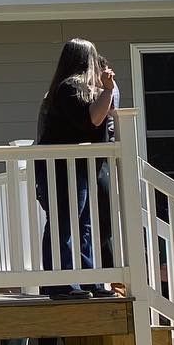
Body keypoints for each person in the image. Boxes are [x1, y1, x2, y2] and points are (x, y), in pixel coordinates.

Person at [35, 38, 117, 296]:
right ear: (84, 59)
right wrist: (106, 90)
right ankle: (60, 284)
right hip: (61, 169)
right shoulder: (68, 88)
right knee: (63, 225)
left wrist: (108, 90)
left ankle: (88, 281)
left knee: (83, 226)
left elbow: (102, 118)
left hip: (77, 169)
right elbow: (92, 118)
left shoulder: (78, 89)